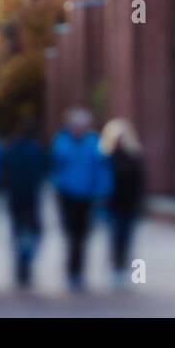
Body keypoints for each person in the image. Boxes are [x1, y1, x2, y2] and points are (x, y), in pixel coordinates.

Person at [49, 108, 110, 291]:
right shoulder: (61, 140)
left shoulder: (94, 142)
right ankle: (71, 269)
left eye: (82, 124)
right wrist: (57, 184)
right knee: (70, 233)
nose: (78, 127)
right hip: (66, 194)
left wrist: (102, 189)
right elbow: (55, 164)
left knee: (82, 235)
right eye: (76, 124)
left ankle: (78, 271)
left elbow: (101, 167)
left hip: (87, 195)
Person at [1, 119, 48, 288]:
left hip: (15, 197)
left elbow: (3, 171)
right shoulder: (36, 149)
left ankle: (21, 260)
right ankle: (25, 258)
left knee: (18, 230)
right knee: (35, 231)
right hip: (31, 197)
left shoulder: (10, 148)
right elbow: (43, 171)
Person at [100, 119, 145, 288]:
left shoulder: (134, 156)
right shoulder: (107, 157)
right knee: (115, 237)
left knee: (127, 238)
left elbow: (140, 183)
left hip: (129, 204)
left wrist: (140, 203)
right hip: (113, 204)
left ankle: (126, 270)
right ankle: (116, 268)